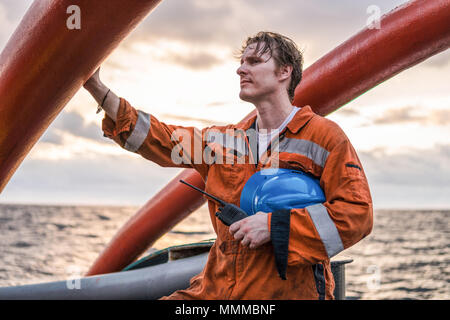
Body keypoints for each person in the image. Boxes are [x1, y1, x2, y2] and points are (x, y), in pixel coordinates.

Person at [83, 31, 373, 300]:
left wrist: (275, 226)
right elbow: (158, 138)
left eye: (254, 61)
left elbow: (357, 215)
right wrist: (97, 88)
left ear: (285, 72)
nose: (240, 69)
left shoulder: (324, 137)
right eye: (242, 61)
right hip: (216, 291)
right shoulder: (223, 142)